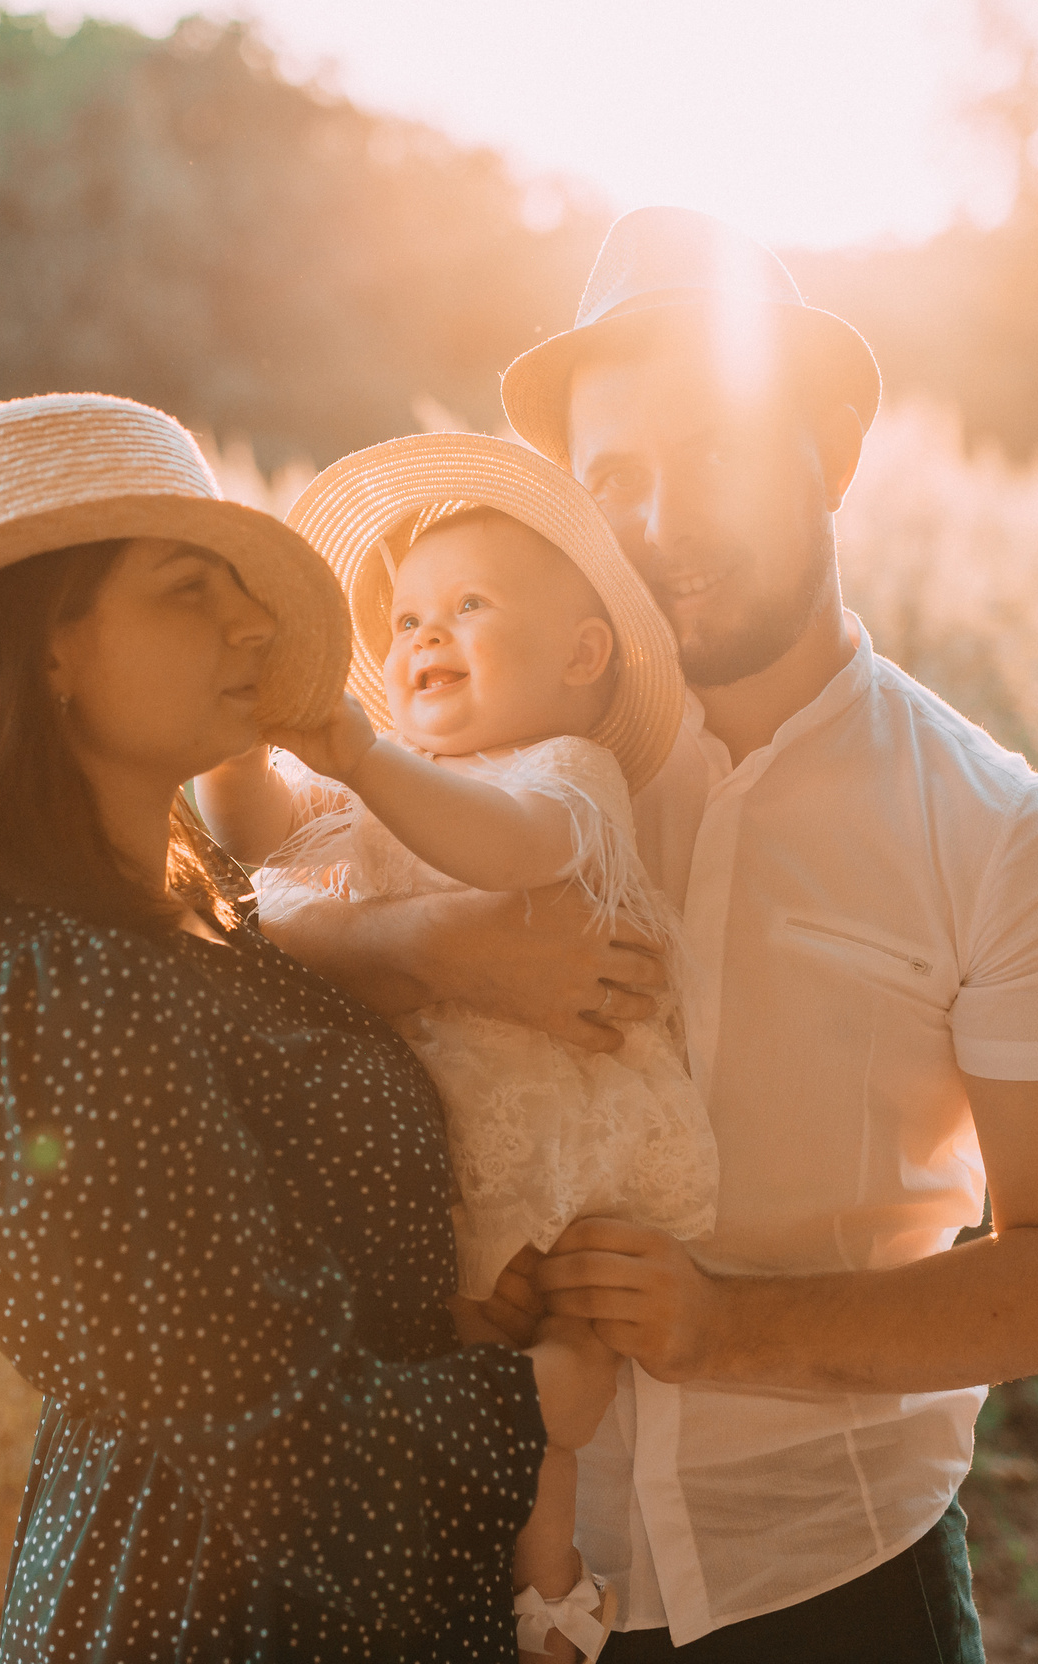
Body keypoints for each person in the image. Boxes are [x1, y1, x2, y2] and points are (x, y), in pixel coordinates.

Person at [266, 210, 1038, 1662]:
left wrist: (727, 1328)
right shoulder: (485, 771)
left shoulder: (1000, 832)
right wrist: (433, 949)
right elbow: (245, 932)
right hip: (491, 1573)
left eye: (720, 451)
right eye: (614, 477)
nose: (662, 522)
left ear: (834, 450)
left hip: (836, 1584)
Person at [0, 392, 618, 1663]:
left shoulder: (175, 914)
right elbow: (284, 1462)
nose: (249, 621)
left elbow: (235, 1314)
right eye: (189, 591)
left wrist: (433, 1329)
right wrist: (538, 1396)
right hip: (219, 1615)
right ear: (44, 653)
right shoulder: (65, 996)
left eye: (240, 585)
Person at [195, 433, 720, 1660]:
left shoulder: (563, 772)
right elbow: (255, 834)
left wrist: (371, 759)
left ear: (582, 654)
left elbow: (507, 854)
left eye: (469, 608)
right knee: (470, 1362)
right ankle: (480, 1581)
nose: (424, 636)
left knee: (548, 1345)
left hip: (556, 1144)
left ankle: (548, 1583)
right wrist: (243, 727)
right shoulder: (392, 785)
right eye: (409, 617)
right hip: (435, 1152)